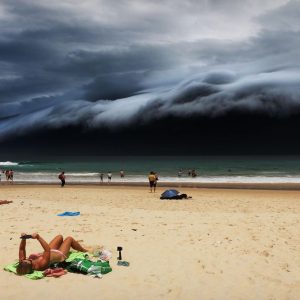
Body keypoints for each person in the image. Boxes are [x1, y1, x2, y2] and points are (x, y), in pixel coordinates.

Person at [16, 233, 88, 275]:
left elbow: (22, 249)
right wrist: (38, 237)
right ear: (30, 266)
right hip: (60, 254)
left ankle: (71, 245)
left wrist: (23, 239)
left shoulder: (24, 263)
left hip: (50, 251)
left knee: (59, 236)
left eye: (22, 261)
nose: (24, 260)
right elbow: (47, 250)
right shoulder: (41, 264)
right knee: (69, 238)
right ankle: (84, 250)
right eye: (25, 261)